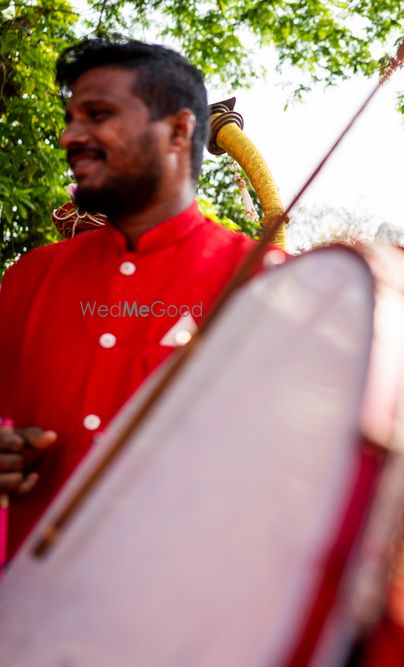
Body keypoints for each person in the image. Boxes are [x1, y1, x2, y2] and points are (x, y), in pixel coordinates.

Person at [0, 38, 263, 559]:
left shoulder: (263, 283)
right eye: (71, 117)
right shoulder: (30, 277)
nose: (69, 136)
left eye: (98, 115)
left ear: (179, 130)